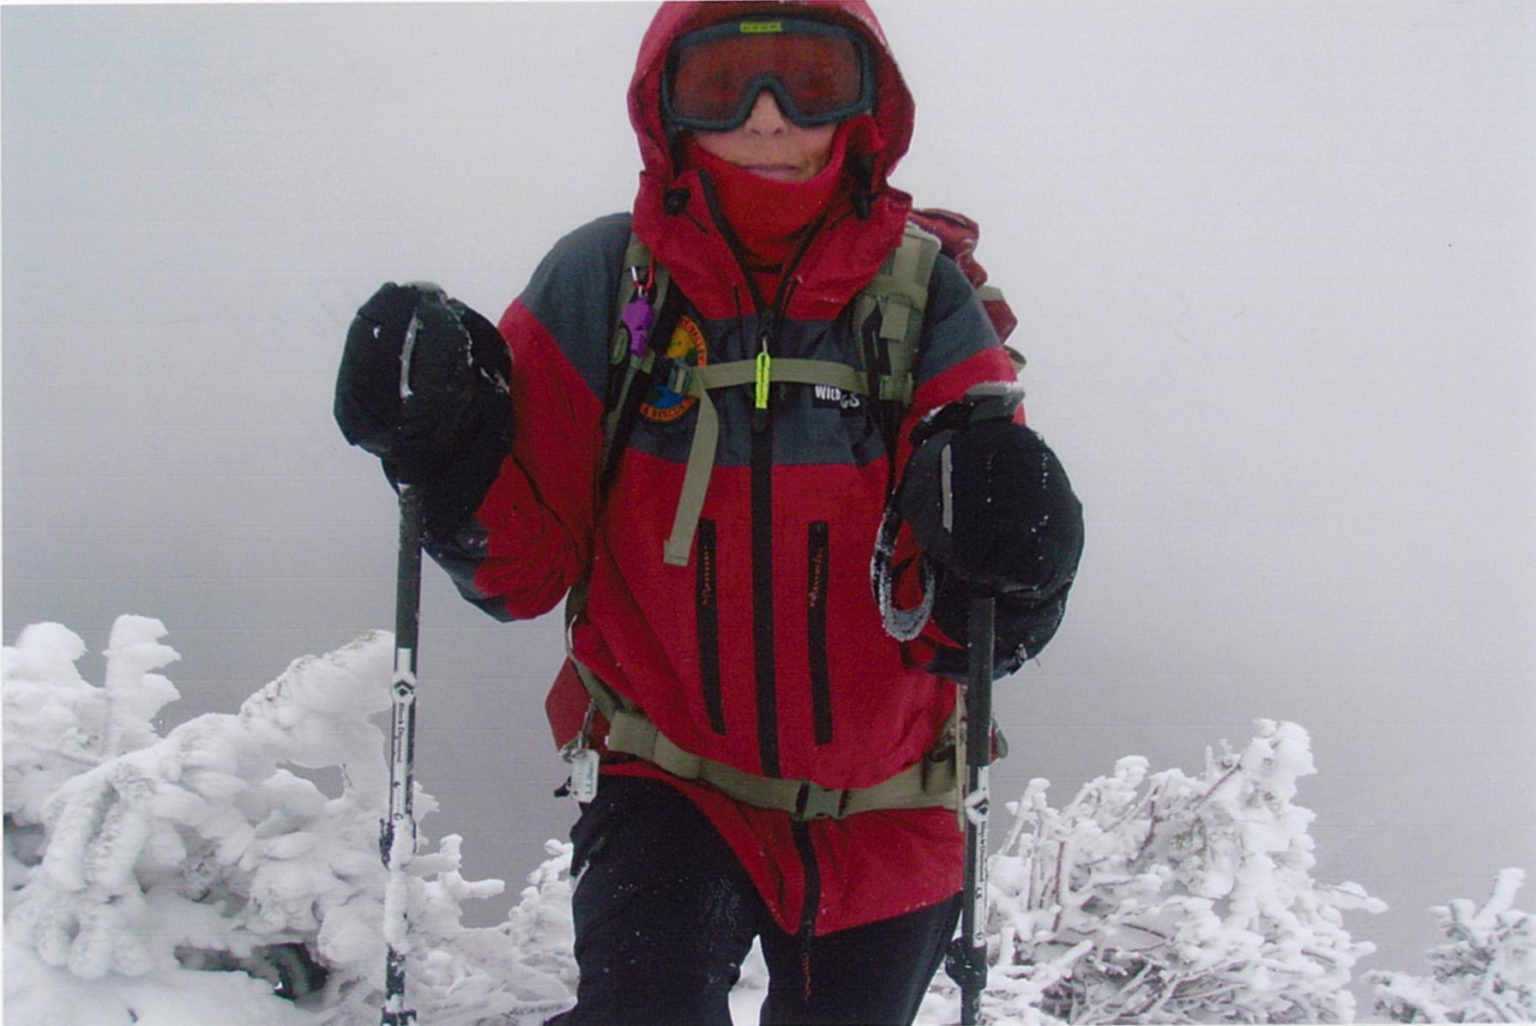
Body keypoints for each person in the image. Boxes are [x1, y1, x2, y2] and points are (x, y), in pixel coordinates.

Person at [334, 3, 1084, 1023]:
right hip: (668, 784)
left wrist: (1018, 570)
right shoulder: (605, 282)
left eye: (810, 79)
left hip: (890, 814)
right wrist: (444, 450)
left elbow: (956, 625)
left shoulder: (926, 302)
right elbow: (523, 573)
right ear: (667, 105)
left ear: (867, 102)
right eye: (721, 84)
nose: (766, 117)